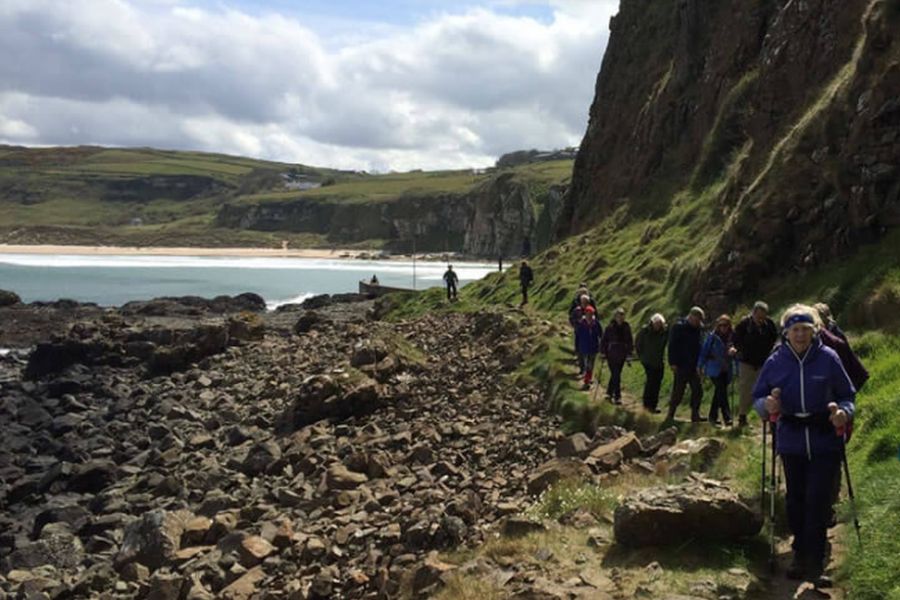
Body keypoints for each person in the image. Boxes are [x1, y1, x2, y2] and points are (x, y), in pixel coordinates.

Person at [753, 304, 855, 585]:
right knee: (795, 500)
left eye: (806, 329)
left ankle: (815, 560)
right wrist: (766, 405)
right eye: (795, 330)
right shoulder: (775, 361)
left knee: (818, 499)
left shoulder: (829, 358)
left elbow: (848, 395)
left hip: (824, 439)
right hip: (791, 439)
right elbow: (758, 396)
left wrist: (843, 413)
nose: (800, 335)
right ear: (786, 333)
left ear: (815, 331)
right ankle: (800, 552)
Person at [733, 301, 779, 427]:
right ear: (753, 313)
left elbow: (774, 339)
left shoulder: (769, 324)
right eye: (759, 316)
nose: (761, 319)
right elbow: (735, 339)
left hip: (764, 363)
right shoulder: (744, 324)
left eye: (763, 316)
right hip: (747, 363)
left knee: (766, 390)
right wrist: (741, 351)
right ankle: (742, 417)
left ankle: (770, 420)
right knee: (746, 390)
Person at [665, 306, 706, 423]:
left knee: (698, 390)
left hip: (694, 366)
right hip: (681, 365)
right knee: (678, 391)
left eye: (699, 320)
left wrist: (701, 364)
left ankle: (695, 414)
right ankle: (671, 413)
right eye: (697, 319)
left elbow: (701, 346)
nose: (698, 322)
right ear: (691, 316)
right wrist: (672, 362)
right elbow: (672, 346)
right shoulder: (678, 327)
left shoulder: (699, 329)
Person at [698, 315, 738, 426]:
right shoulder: (712, 337)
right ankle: (727, 417)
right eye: (720, 325)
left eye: (725, 325)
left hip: (727, 368)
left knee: (719, 392)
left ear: (729, 325)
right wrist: (700, 366)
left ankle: (712, 416)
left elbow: (738, 353)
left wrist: (734, 353)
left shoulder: (733, 337)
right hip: (714, 368)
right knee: (722, 391)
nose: (723, 327)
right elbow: (704, 352)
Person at [635, 313, 668, 413]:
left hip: (659, 361)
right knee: (650, 382)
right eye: (656, 323)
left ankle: (653, 405)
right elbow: (638, 343)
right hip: (647, 361)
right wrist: (641, 356)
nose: (658, 326)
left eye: (660, 324)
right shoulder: (645, 331)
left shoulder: (664, 333)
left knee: (657, 384)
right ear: (652, 323)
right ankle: (646, 404)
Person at [600, 307, 634, 404]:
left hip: (622, 354)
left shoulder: (626, 327)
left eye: (622, 316)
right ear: (615, 316)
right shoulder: (610, 327)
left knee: (616, 374)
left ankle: (609, 393)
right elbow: (604, 340)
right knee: (616, 375)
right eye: (618, 316)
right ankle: (617, 396)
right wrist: (603, 352)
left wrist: (629, 353)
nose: (620, 318)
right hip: (611, 354)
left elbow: (630, 341)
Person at [575, 306, 602, 390]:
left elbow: (601, 334)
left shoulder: (596, 323)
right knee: (587, 364)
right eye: (587, 313)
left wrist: (602, 345)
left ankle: (587, 381)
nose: (589, 315)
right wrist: (577, 347)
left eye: (591, 314)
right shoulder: (581, 324)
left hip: (593, 347)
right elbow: (577, 336)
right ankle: (588, 378)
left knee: (590, 364)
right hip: (584, 347)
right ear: (585, 314)